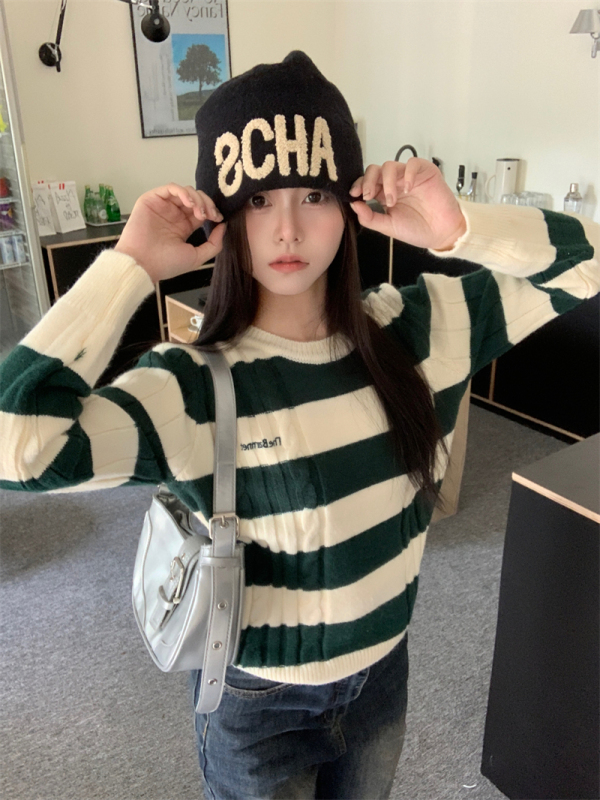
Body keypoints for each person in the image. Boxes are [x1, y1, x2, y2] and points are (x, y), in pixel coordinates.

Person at [0, 50, 598, 800]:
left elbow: (587, 263)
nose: (286, 229)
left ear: (348, 201)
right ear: (221, 214)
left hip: (382, 674)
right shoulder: (188, 385)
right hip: (257, 704)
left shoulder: (426, 329)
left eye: (313, 194)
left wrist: (458, 228)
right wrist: (130, 266)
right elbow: (17, 446)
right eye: (257, 199)